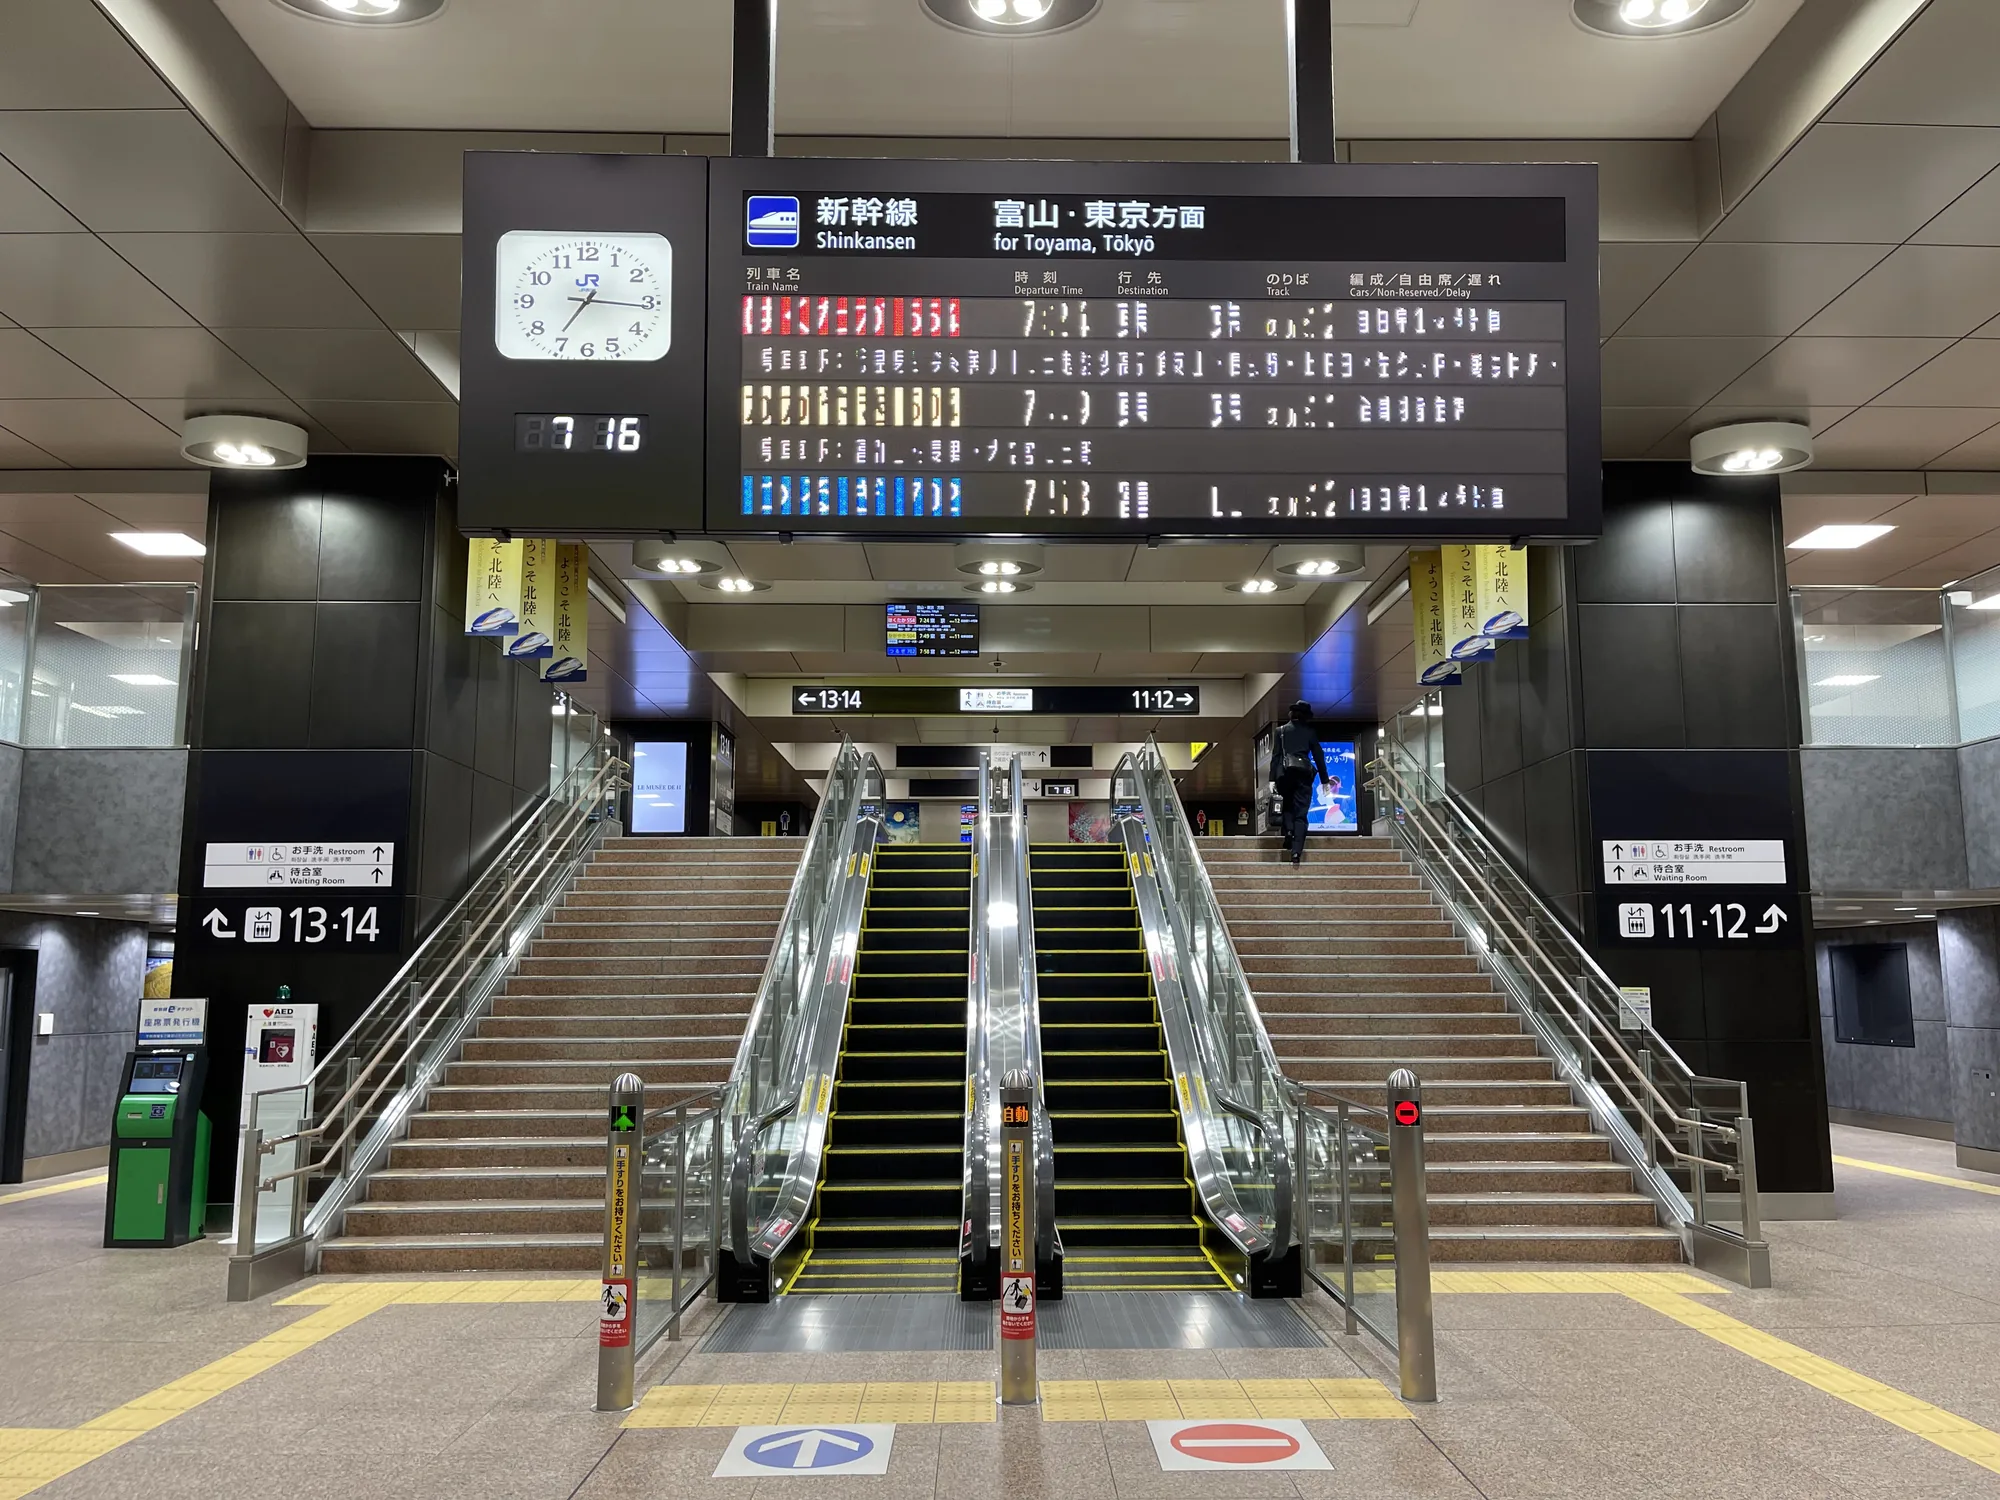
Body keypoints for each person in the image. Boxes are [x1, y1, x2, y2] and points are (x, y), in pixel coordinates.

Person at [1269, 700, 1331, 866]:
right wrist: (1325, 780)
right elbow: (1319, 756)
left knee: (1287, 806)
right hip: (1303, 775)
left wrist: (1271, 779)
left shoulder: (1280, 731)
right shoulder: (1310, 732)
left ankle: (1288, 831)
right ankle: (1296, 852)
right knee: (1301, 814)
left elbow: (1275, 757)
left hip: (1284, 774)